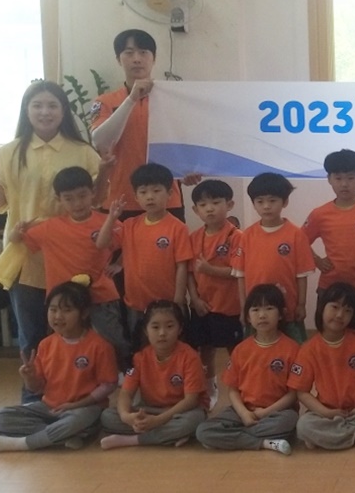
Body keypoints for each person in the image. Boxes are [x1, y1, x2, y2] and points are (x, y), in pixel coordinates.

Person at [0, 81, 105, 401]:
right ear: (26, 111)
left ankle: (76, 399)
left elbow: (100, 198)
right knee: (32, 333)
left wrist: (107, 170)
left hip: (72, 258)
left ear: (63, 111)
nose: (45, 112)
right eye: (37, 105)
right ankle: (35, 401)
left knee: (75, 333)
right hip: (27, 256)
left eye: (52, 105)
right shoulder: (9, 152)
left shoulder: (82, 151)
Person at [14, 167, 128, 370]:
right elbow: (18, 240)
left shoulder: (107, 221)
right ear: (59, 199)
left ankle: (126, 376)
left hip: (101, 297)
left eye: (82, 196)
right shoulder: (49, 228)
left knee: (114, 341)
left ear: (93, 193)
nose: (77, 203)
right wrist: (16, 232)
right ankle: (67, 381)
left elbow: (132, 243)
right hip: (63, 302)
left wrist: (119, 264)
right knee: (64, 345)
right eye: (69, 198)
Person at [0, 279, 117, 452]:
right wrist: (29, 377)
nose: (58, 316)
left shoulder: (99, 345)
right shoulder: (46, 344)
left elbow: (108, 385)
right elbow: (36, 388)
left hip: (83, 408)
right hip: (50, 408)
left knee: (80, 420)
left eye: (67, 310)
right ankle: (64, 436)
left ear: (84, 313)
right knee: (1, 418)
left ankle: (25, 443)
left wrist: (75, 405)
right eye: (53, 309)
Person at [90, 29, 196, 221]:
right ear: (118, 59)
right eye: (129, 53)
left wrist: (187, 169)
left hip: (166, 200)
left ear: (154, 59)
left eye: (143, 52)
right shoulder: (105, 101)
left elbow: (184, 142)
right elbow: (100, 142)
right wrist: (131, 99)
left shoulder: (172, 99)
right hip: (120, 201)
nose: (137, 59)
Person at [290, 283, 355, 451]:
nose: (340, 315)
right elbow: (302, 392)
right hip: (327, 412)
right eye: (335, 307)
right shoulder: (308, 349)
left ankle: (328, 436)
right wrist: (325, 413)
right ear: (322, 308)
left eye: (348, 310)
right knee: (304, 425)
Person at [96, 163, 192, 350]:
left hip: (167, 303)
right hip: (136, 305)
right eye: (143, 192)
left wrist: (178, 300)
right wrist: (111, 218)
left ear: (169, 194)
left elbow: (182, 266)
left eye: (156, 191)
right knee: (140, 350)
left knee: (172, 349)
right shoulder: (130, 225)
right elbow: (101, 243)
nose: (150, 196)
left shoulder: (178, 227)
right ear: (136, 197)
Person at [195, 284, 299, 455]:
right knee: (203, 431)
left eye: (269, 308)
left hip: (278, 412)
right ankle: (264, 442)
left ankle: (231, 438)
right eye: (255, 309)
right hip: (244, 409)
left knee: (289, 421)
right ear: (248, 317)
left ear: (281, 314)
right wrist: (243, 413)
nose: (262, 315)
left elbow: (293, 394)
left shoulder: (292, 349)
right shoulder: (241, 350)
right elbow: (233, 390)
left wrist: (265, 413)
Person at [99, 301, 207, 449]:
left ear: (180, 329)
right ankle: (171, 436)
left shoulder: (190, 357)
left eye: (169, 326)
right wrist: (127, 417)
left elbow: (191, 400)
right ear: (146, 330)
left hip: (181, 412)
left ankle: (133, 440)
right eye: (155, 327)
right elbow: (126, 393)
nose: (162, 333)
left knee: (193, 420)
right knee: (107, 416)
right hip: (151, 410)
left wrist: (158, 421)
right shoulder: (139, 358)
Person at [302, 149, 355, 337]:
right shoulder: (319, 214)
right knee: (329, 338)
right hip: (329, 286)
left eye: (350, 178)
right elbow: (300, 240)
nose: (344, 184)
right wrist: (317, 260)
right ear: (329, 179)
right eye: (338, 178)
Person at [232, 172, 314, 343]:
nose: (266, 206)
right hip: (256, 309)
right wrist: (243, 307)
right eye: (260, 201)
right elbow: (241, 275)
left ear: (285, 201)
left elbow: (301, 275)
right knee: (258, 350)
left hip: (287, 308)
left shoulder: (296, 235)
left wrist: (301, 304)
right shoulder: (246, 236)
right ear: (254, 203)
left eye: (272, 200)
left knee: (294, 349)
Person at [185, 179, 243, 403]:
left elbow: (238, 271)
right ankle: (210, 388)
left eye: (216, 202)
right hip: (203, 306)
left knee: (235, 351)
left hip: (229, 307)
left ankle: (242, 388)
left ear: (229, 205)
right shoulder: (193, 237)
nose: (209, 208)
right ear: (195, 210)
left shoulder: (236, 236)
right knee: (205, 350)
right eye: (203, 205)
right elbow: (190, 273)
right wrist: (195, 299)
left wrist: (210, 270)